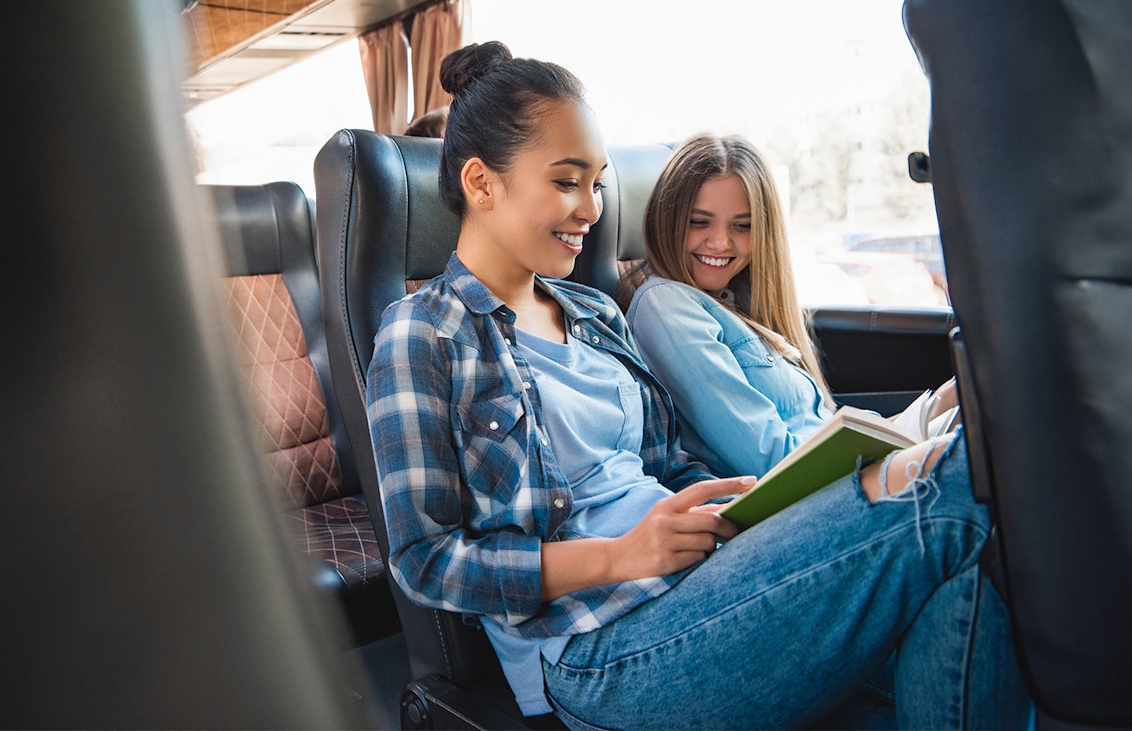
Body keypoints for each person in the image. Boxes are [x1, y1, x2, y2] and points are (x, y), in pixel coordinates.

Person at [366, 41, 1027, 730]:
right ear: (481, 183)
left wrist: (743, 505)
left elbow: (668, 464)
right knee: (963, 477)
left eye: (597, 184)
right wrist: (620, 555)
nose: (591, 209)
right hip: (597, 648)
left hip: (703, 579)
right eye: (566, 182)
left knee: (965, 583)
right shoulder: (424, 334)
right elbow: (426, 560)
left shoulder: (595, 313)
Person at [623, 133, 956, 479]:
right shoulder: (664, 306)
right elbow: (773, 461)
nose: (721, 242)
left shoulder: (737, 302)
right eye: (699, 221)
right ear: (668, 218)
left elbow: (822, 431)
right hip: (801, 496)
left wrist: (936, 409)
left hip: (832, 477)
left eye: (743, 226)